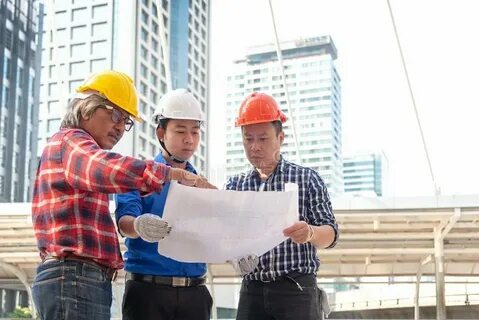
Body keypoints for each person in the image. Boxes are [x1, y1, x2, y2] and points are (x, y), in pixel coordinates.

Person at [31, 71, 209, 320]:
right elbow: (102, 167)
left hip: (81, 278)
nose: (119, 127)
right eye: (114, 114)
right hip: (74, 277)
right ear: (86, 110)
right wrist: (169, 176)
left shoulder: (79, 152)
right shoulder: (71, 143)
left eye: (125, 121)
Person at [225, 92, 339, 320]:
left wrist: (310, 233)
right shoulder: (235, 185)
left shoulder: (306, 179)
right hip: (252, 291)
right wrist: (235, 258)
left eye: (263, 138)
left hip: (296, 291)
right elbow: (225, 239)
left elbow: (331, 234)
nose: (255, 146)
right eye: (248, 139)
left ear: (281, 138)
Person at [115, 88, 214, 320]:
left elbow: (217, 234)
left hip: (195, 294)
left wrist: (237, 254)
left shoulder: (204, 187)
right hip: (147, 294)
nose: (189, 139)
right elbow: (124, 222)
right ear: (161, 133)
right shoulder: (136, 175)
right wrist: (139, 225)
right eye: (180, 131)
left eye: (195, 132)